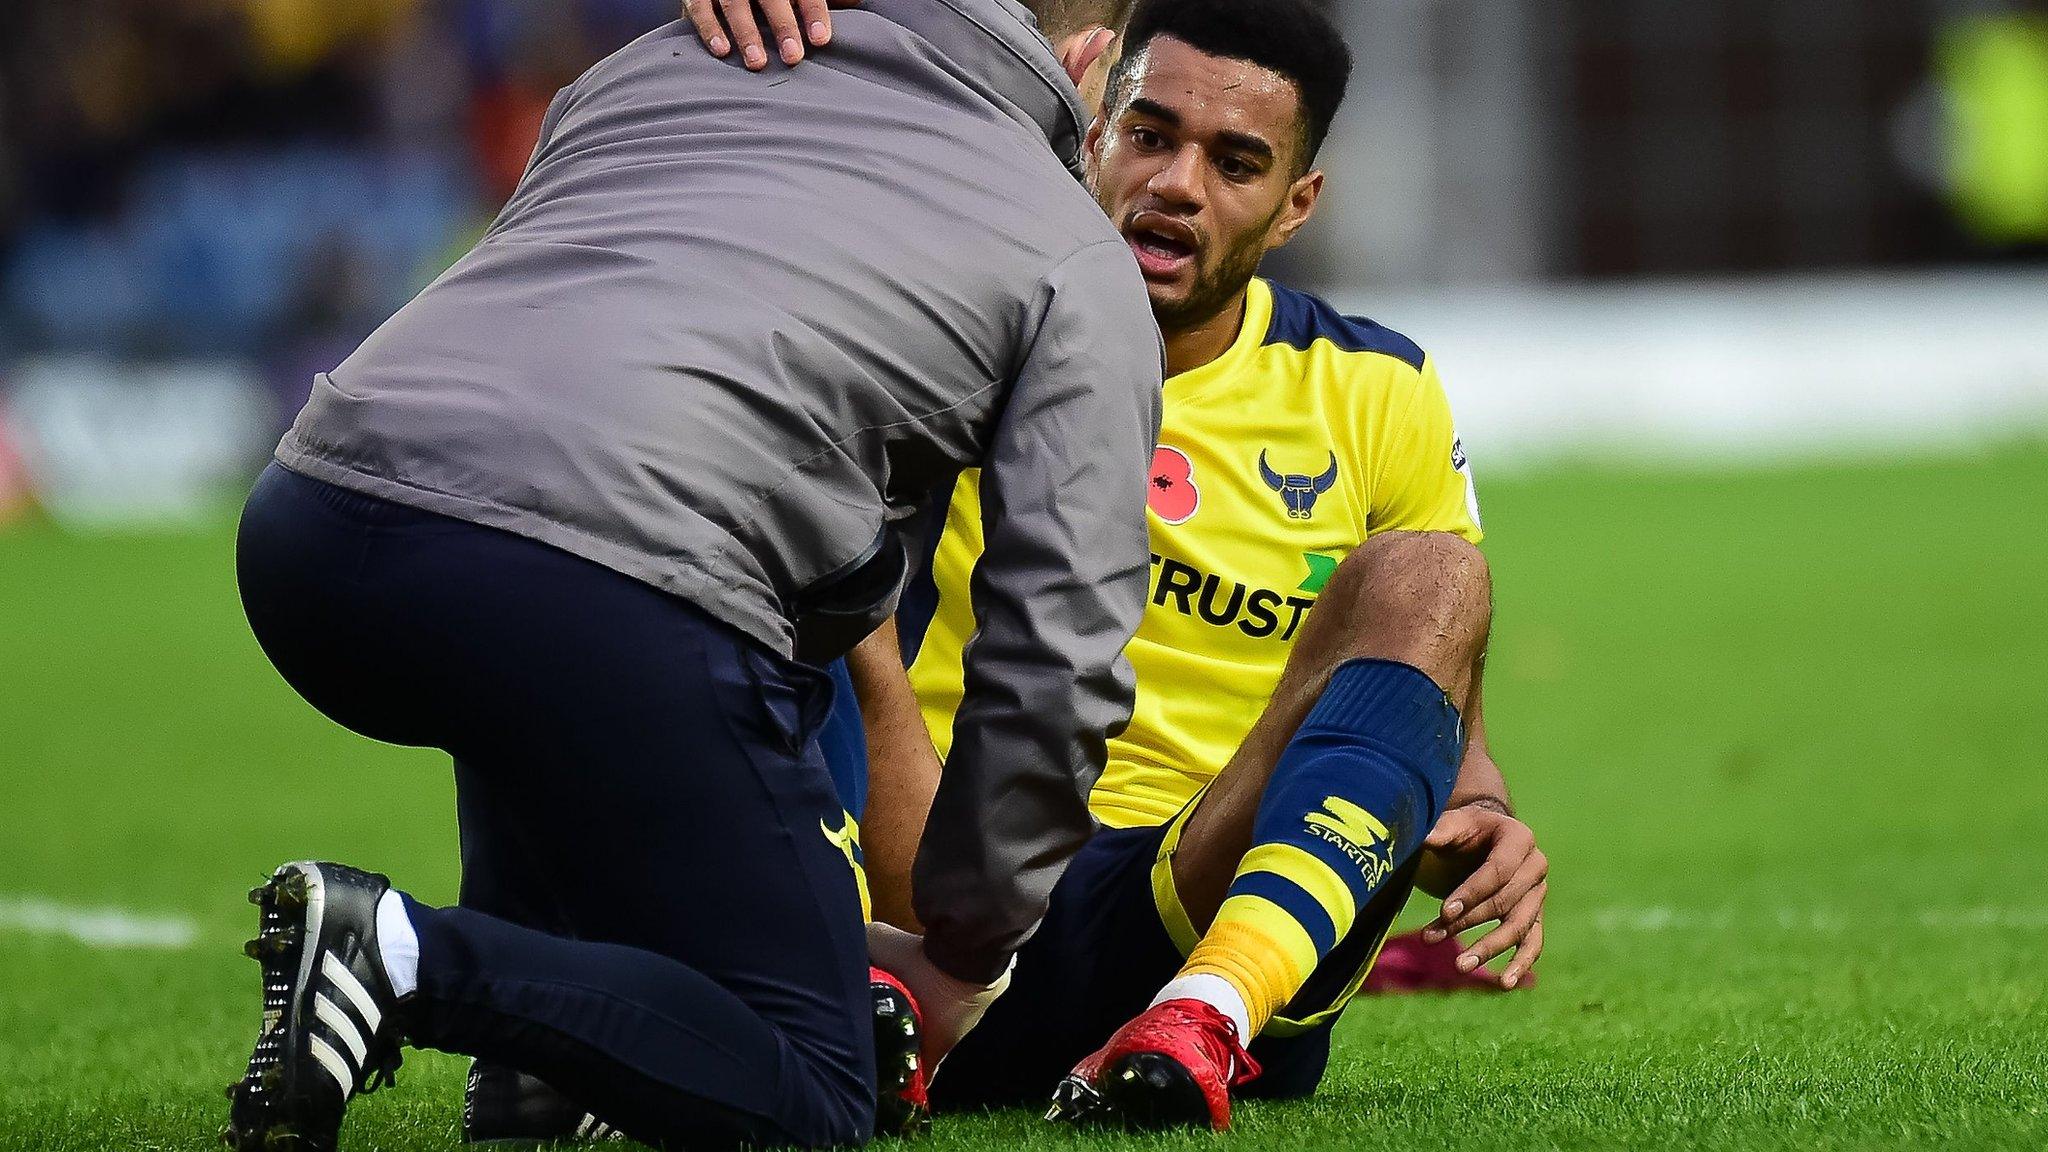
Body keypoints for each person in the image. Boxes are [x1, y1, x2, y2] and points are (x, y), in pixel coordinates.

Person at [219, 1, 1163, 1149]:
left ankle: (537, 1076)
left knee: (549, 624)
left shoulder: (651, 63)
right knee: (817, 1082)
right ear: (1091, 62)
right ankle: (406, 955)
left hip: (311, 525)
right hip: (587, 582)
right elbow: (1056, 654)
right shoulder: (1071, 251)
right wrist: (970, 938)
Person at [843, 0, 1550, 1130]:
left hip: (1199, 893)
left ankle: (1209, 1014)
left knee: (1431, 578)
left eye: (1234, 163)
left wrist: (1478, 815)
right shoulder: (959, 331)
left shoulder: (1373, 389)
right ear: (1092, 135)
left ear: (1292, 207)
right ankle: (882, 993)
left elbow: (1443, 704)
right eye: (1149, 135)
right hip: (947, 886)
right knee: (816, 572)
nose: (1176, 184)